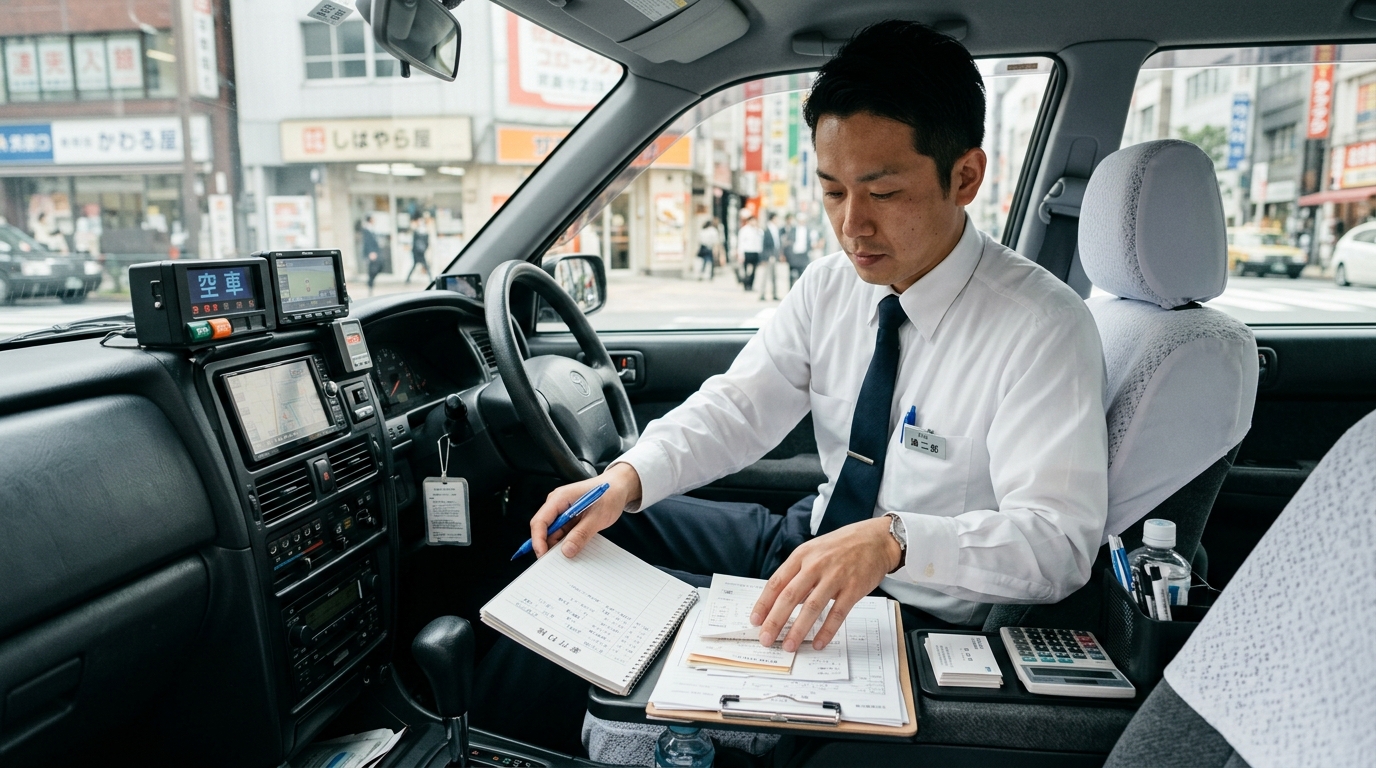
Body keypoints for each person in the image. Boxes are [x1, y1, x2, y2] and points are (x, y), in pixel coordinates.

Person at [473, 20, 1107, 755]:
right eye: (831, 190)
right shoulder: (835, 286)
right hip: (803, 541)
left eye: (884, 191)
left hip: (911, 608)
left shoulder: (1042, 327)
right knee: (584, 528)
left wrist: (896, 541)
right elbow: (742, 405)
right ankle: (491, 741)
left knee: (635, 618)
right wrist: (624, 477)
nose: (851, 225)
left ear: (964, 176)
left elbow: (1059, 543)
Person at [758, 212, 785, 301]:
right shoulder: (766, 229)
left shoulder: (776, 229)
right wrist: (764, 257)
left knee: (774, 276)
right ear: (773, 218)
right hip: (768, 256)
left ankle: (774, 293)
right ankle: (762, 294)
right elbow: (763, 244)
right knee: (765, 276)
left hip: (775, 255)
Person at [737, 214, 763, 291]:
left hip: (755, 252)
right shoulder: (744, 230)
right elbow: (741, 243)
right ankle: (746, 285)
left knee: (754, 270)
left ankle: (751, 285)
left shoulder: (758, 230)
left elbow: (761, 240)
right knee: (747, 271)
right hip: (747, 252)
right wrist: (740, 254)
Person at [786, 212, 812, 286]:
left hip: (803, 255)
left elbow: (809, 242)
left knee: (802, 275)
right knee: (792, 275)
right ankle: (791, 291)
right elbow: (788, 242)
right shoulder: (792, 230)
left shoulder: (808, 230)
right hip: (794, 255)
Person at [406, 214, 433, 284]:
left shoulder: (418, 232)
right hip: (418, 252)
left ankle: (408, 279)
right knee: (421, 265)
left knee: (418, 265)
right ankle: (430, 278)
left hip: (418, 252)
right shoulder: (419, 232)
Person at [361, 215, 383, 296]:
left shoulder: (372, 229)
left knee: (379, 266)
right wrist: (370, 252)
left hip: (376, 252)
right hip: (372, 253)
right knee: (372, 269)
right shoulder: (366, 230)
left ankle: (370, 282)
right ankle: (370, 285)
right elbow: (367, 242)